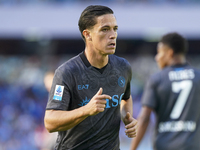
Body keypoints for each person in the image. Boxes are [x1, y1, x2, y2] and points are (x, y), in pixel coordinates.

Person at [44, 5, 138, 150]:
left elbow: (125, 97)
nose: (112, 35)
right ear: (87, 35)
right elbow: (50, 122)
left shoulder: (123, 67)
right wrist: (86, 110)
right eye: (105, 29)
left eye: (115, 29)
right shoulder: (67, 72)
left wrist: (127, 117)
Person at [130, 32, 200, 150]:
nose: (157, 58)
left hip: (164, 145)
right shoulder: (198, 77)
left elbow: (144, 118)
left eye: (159, 53)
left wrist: (133, 148)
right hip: (192, 146)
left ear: (169, 53)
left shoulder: (157, 79)